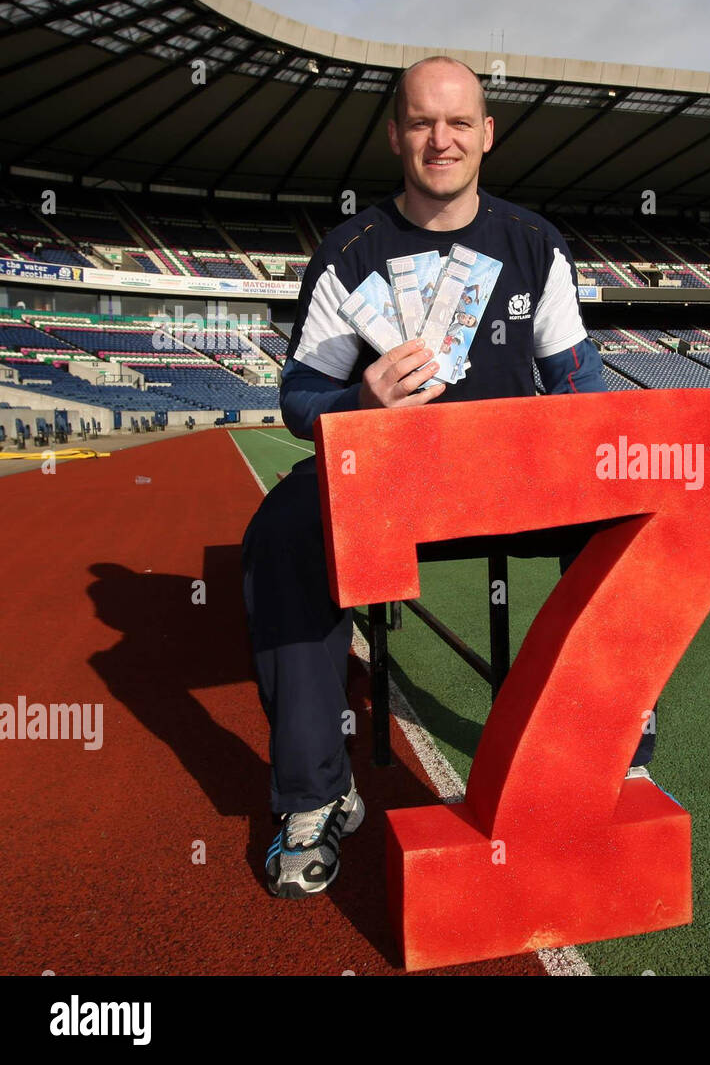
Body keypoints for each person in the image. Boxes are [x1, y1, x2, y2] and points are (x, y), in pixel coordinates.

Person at [242, 56, 651, 901]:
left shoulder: (533, 244)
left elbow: (578, 382)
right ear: (396, 134)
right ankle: (317, 794)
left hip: (508, 483)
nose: (442, 140)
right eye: (423, 122)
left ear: (487, 135)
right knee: (280, 535)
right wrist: (361, 396)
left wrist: (596, 453)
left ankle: (616, 746)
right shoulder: (348, 252)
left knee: (627, 508)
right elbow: (295, 399)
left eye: (459, 123)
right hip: (385, 486)